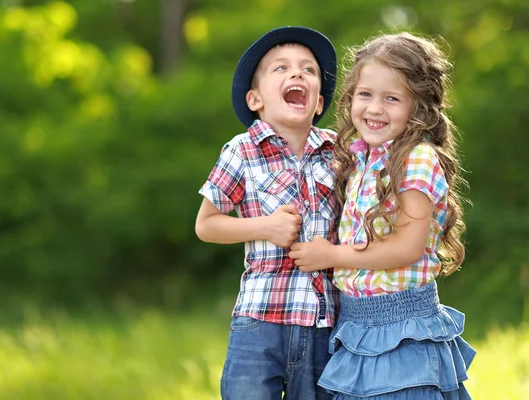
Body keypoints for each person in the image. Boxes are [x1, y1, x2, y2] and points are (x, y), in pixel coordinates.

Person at [289, 32, 476, 399]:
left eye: (392, 98)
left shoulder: (416, 158)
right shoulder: (361, 158)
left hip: (401, 331)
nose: (375, 108)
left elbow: (407, 248)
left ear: (418, 107)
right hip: (356, 325)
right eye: (365, 94)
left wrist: (331, 255)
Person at [195, 26, 340, 400]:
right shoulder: (241, 150)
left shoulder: (339, 154)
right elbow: (206, 225)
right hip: (260, 319)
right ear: (255, 98)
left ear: (319, 103)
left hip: (325, 322)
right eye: (281, 68)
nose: (297, 74)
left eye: (308, 70)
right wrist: (266, 227)